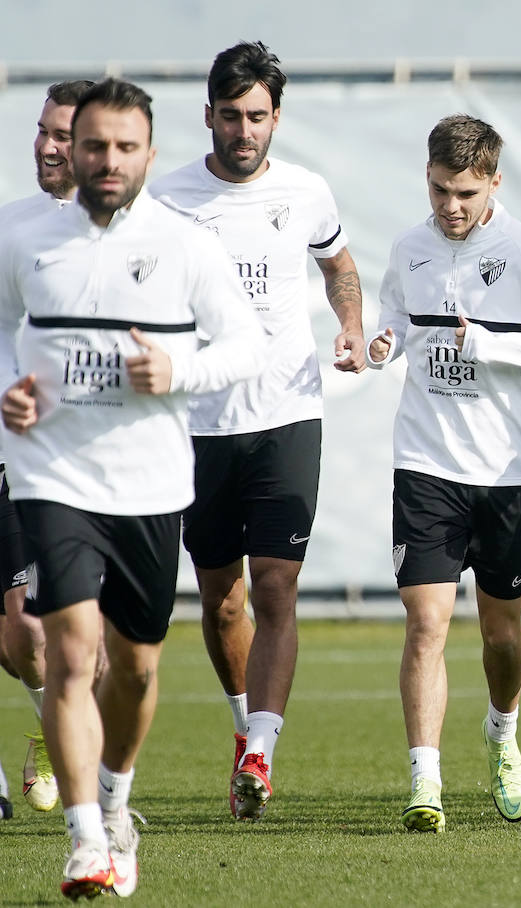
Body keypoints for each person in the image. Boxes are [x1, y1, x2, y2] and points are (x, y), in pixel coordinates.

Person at [0, 77, 263, 897]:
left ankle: (115, 802)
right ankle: (84, 844)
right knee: (70, 654)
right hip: (52, 476)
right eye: (93, 146)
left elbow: (247, 346)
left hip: (149, 485)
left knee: (136, 669)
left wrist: (176, 368)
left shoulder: (186, 245)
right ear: (68, 148)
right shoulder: (23, 237)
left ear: (149, 151)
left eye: (124, 147)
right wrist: (8, 391)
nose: (107, 161)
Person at [148, 41, 366, 820]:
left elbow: (338, 265)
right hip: (197, 424)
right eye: (232, 116)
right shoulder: (165, 199)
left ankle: (261, 753)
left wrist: (350, 324)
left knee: (276, 586)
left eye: (259, 117)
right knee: (222, 600)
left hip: (287, 415)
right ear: (207, 115)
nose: (245, 131)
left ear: (277, 118)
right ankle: (245, 730)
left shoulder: (306, 192)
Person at [366, 114, 521, 833]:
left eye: (465, 192)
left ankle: (502, 734)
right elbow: (396, 321)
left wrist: (496, 347)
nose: (451, 207)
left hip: (507, 471)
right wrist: (380, 343)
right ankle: (424, 783)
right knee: (427, 621)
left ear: (495, 181)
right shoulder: (409, 247)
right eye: (439, 190)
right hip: (426, 461)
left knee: (501, 633)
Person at [0, 79, 94, 817]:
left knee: (32, 635)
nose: (47, 145)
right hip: (7, 449)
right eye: (42, 130)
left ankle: (71, 756)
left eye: (63, 134)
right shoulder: (13, 228)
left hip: (68, 467)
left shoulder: (127, 238)